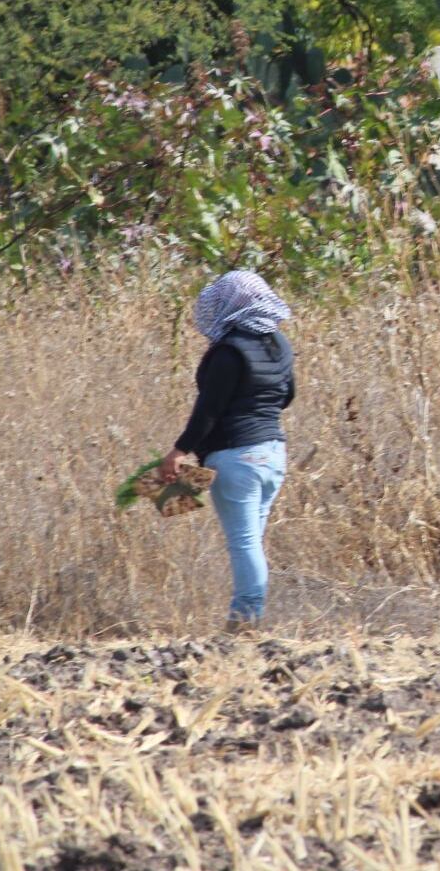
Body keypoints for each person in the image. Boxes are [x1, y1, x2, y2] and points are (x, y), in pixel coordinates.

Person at [161, 270, 295, 632]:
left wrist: (178, 452)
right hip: (273, 456)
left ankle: (245, 619)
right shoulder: (279, 343)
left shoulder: (227, 352)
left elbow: (209, 410)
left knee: (244, 541)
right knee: (251, 539)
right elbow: (287, 396)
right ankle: (248, 614)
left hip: (237, 459)